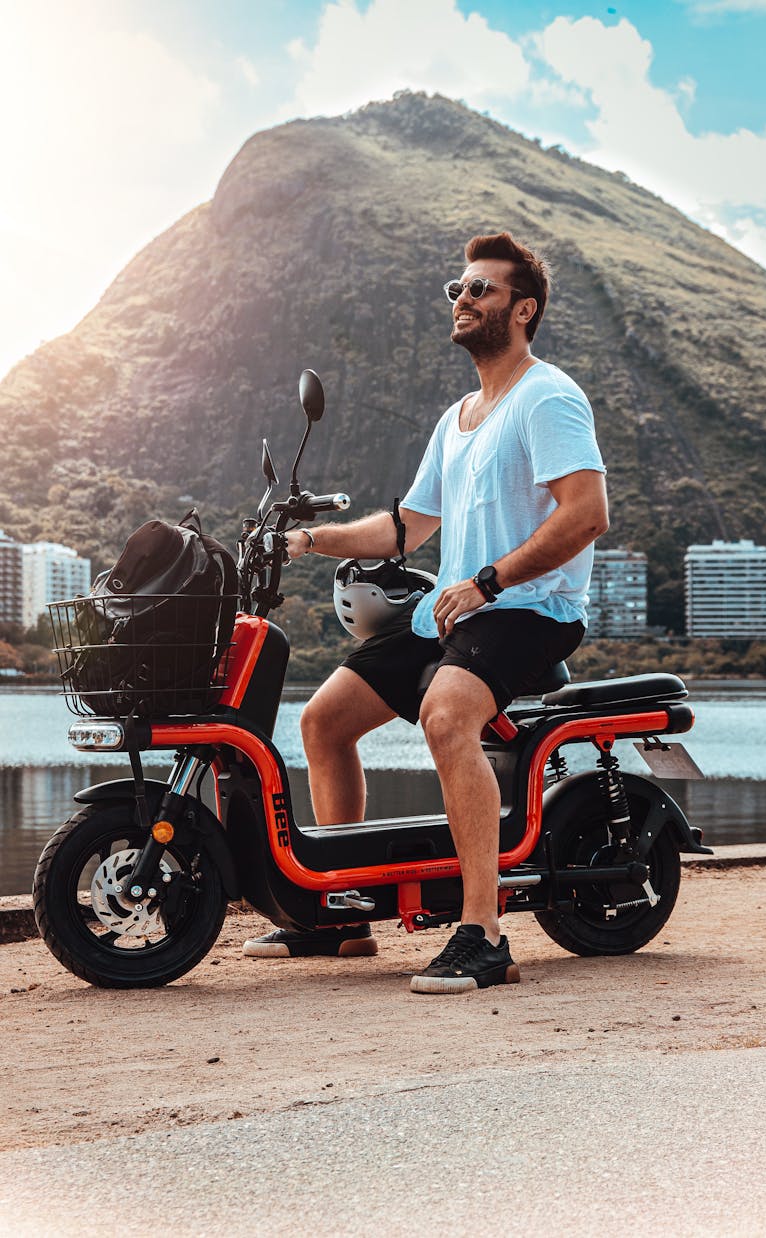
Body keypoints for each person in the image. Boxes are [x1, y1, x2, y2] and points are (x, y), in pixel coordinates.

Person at [243, 231, 608, 994]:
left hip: (530, 608)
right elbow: (405, 527)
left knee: (447, 719)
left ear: (523, 308)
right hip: (457, 612)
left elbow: (586, 515)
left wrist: (488, 580)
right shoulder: (460, 416)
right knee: (324, 721)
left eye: (481, 289)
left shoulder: (548, 396)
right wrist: (305, 539)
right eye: (458, 289)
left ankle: (483, 933)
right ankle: (339, 919)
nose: (463, 298)